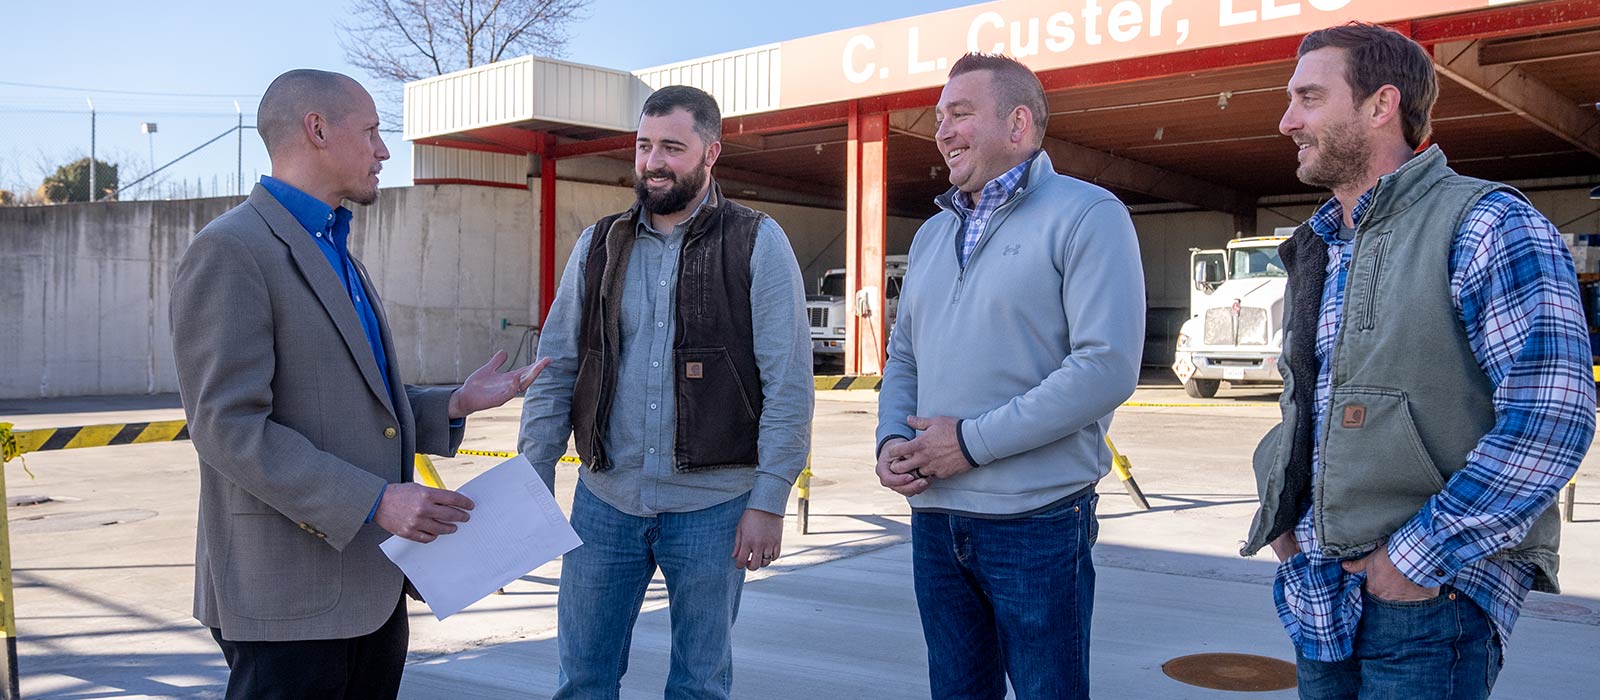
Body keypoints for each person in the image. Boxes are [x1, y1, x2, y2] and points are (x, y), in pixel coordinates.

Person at [1242, 23, 1595, 699]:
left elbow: (1551, 417)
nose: (1287, 121)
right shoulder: (1317, 244)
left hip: (1431, 599)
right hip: (1321, 593)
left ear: (1381, 104)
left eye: (1310, 97)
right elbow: (1306, 402)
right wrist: (1280, 517)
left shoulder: (1488, 223)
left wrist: (1413, 559)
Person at [170, 69, 545, 699]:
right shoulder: (232, 250)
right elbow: (227, 429)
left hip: (369, 591)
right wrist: (378, 501)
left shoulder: (336, 249)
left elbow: (349, 405)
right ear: (317, 129)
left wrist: (453, 402)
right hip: (287, 600)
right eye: (371, 131)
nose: (383, 150)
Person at [517, 84, 812, 699]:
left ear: (711, 153)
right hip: (605, 502)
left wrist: (771, 499)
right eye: (644, 145)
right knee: (582, 680)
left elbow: (788, 383)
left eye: (671, 147)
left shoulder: (758, 241)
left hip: (716, 505)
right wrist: (532, 472)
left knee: (700, 685)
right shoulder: (597, 244)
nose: (653, 161)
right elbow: (558, 364)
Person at [874, 52, 1145, 699]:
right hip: (935, 520)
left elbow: (1105, 367)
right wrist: (890, 441)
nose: (941, 131)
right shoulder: (933, 235)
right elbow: (905, 354)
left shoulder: (1088, 215)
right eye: (940, 117)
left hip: (1037, 522)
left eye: (960, 114)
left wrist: (968, 443)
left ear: (1018, 123)